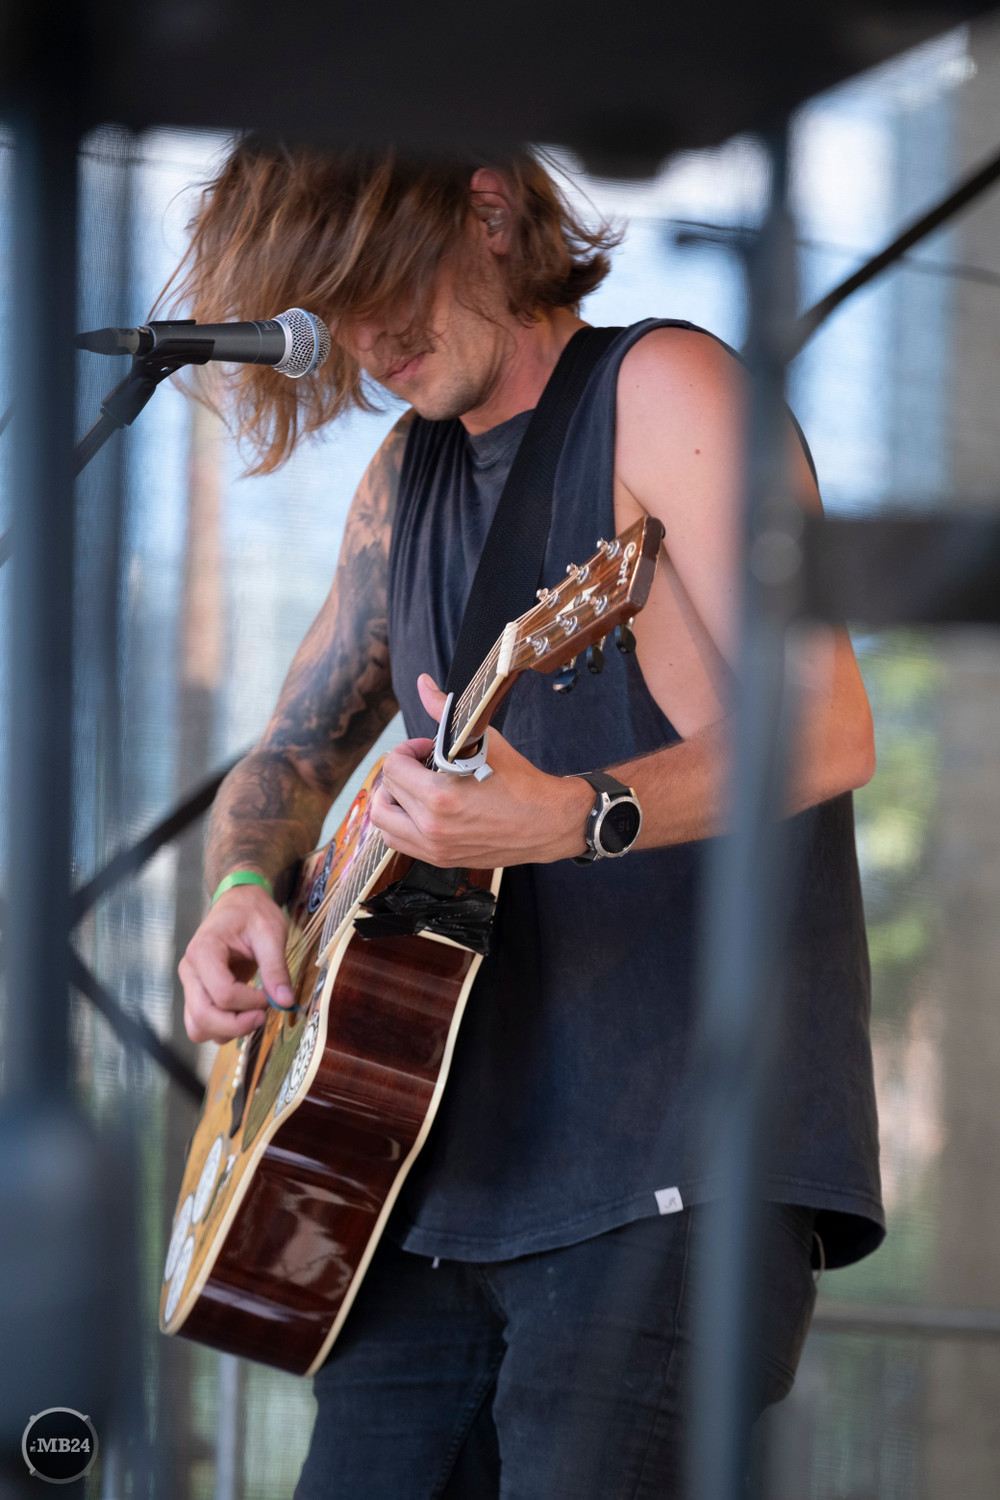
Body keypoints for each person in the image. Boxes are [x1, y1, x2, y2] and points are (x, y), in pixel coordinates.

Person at [175, 141, 883, 1498]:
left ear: (489, 210)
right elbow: (292, 753)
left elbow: (829, 724)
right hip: (429, 1188)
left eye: (382, 285)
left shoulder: (667, 391)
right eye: (332, 308)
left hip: (672, 1163)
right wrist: (239, 896)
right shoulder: (404, 477)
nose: (367, 338)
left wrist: (572, 814)